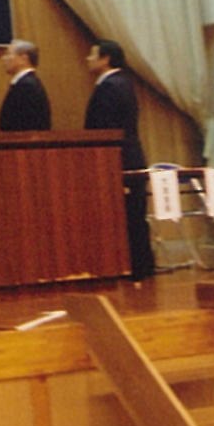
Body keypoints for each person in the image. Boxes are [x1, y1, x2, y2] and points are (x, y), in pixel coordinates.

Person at [83, 38, 153, 281]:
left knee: (130, 216)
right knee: (133, 216)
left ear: (105, 59)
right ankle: (140, 266)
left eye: (93, 55)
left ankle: (138, 268)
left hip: (119, 160)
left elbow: (105, 128)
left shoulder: (111, 86)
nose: (88, 59)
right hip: (127, 156)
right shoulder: (121, 83)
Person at [0, 38, 51, 131]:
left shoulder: (27, 86)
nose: (4, 58)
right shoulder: (26, 83)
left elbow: (27, 124)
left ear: (23, 59)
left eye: (8, 54)